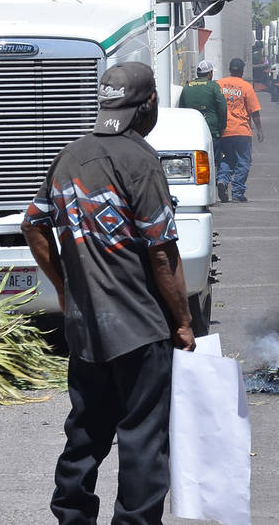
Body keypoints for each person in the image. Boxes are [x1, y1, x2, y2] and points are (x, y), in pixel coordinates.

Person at [21, 61, 195, 525]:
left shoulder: (70, 155)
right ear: (149, 104)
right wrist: (182, 321)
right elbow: (162, 253)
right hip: (140, 326)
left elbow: (33, 224)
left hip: (86, 328)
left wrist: (66, 289)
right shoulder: (141, 161)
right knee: (143, 439)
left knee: (86, 431)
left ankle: (72, 515)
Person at [216, 57, 263, 203]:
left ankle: (222, 180)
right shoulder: (246, 87)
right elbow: (254, 111)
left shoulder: (219, 84)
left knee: (228, 158)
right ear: (242, 71)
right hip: (242, 131)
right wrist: (259, 129)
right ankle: (237, 192)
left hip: (224, 130)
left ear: (229, 69)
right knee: (243, 162)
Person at [178, 59, 228, 141]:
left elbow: (181, 110)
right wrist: (222, 127)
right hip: (211, 131)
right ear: (210, 73)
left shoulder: (187, 87)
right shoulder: (214, 86)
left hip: (191, 131)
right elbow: (223, 107)